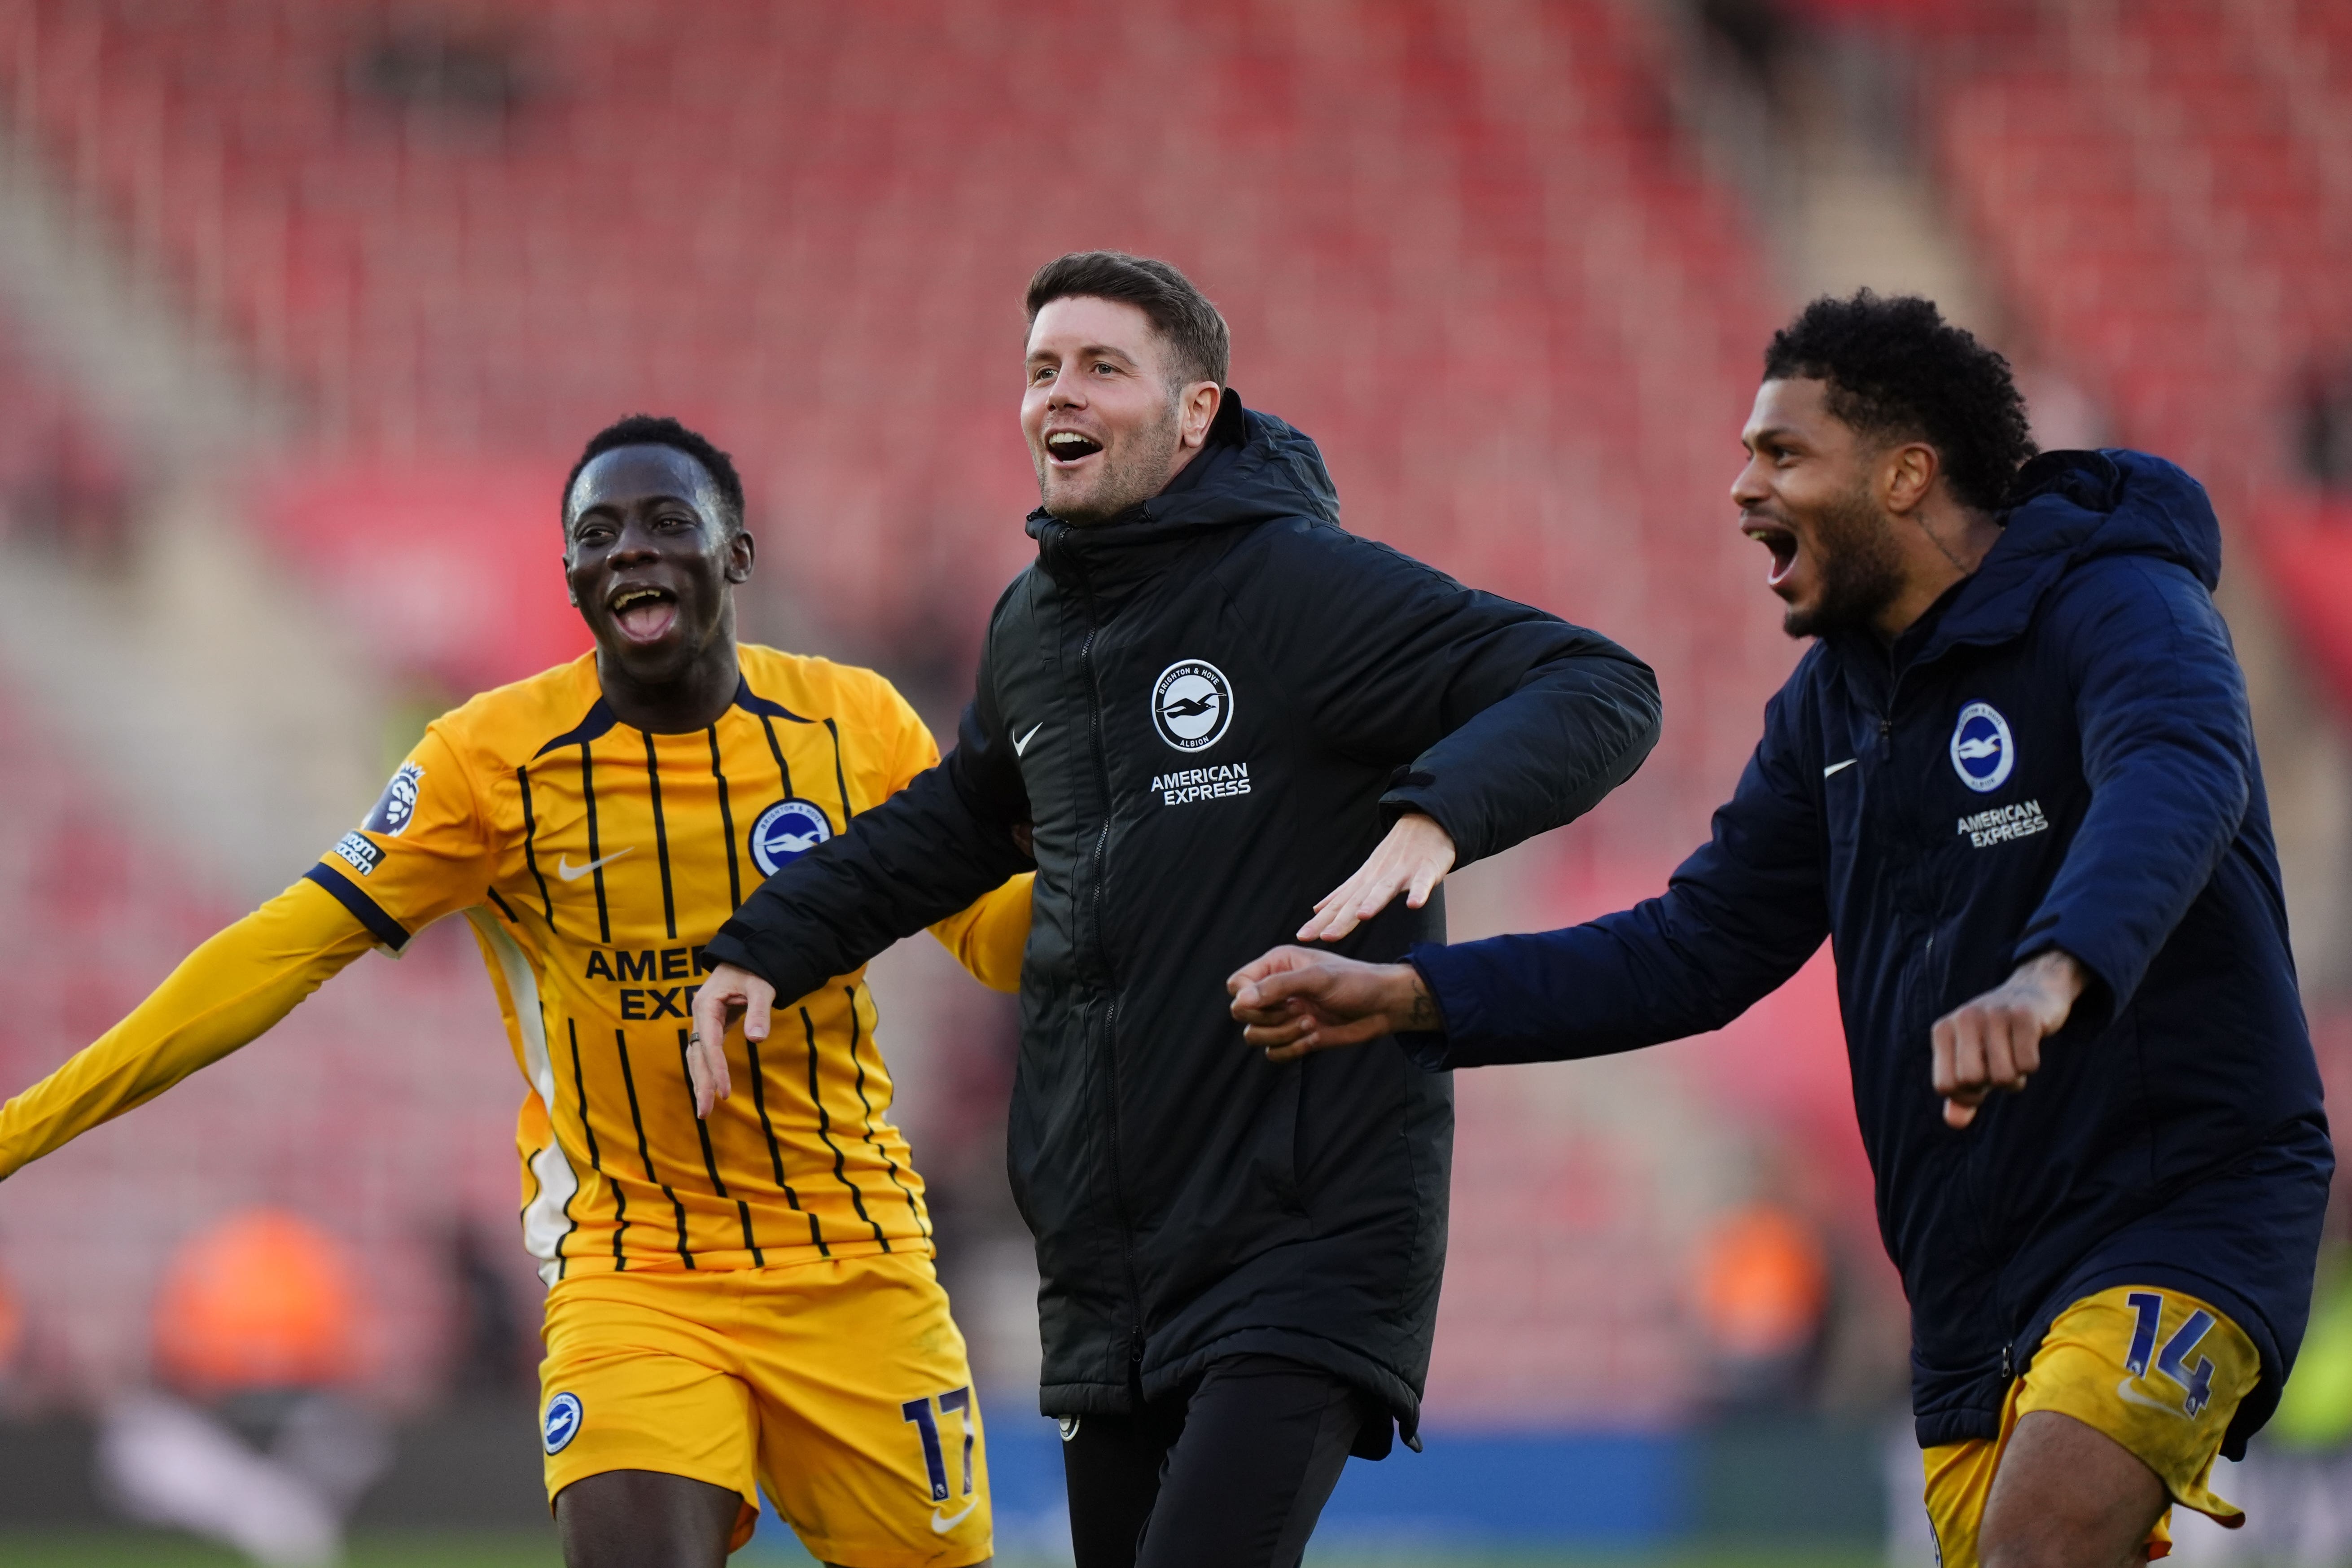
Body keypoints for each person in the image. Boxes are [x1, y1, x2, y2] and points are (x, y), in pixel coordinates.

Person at [1229, 293, 2335, 1568]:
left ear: (1905, 474)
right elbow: (1692, 946)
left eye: (1783, 454)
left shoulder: (2121, 602)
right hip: (1972, 1285)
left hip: (2179, 1210)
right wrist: (1412, 994)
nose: (1742, 487)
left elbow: (2176, 777)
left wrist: (2050, 973)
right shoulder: (1830, 712)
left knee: (2039, 1546)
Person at [689, 251, 1664, 1568]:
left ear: (1197, 412)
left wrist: (1436, 815)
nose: (1058, 394)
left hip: (1300, 1232)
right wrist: (767, 944)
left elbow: (1600, 685)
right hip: (1107, 1262)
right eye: (1041, 369)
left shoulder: (1299, 589)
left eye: (1102, 367)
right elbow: (959, 820)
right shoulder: (1034, 626)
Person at [0, 415, 1033, 1568]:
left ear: (736, 554)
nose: (628, 548)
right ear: (573, 575)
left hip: (855, 1262)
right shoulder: (490, 761)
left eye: (667, 521)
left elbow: (995, 943)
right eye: (597, 533)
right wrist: (23, 1127)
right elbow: (280, 949)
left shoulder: (855, 724)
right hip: (634, 1270)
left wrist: (1106, 856)